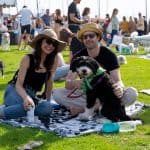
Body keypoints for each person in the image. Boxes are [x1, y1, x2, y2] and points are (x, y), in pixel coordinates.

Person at [53, 23, 138, 116]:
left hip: (107, 94)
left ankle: (84, 110)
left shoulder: (109, 55)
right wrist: (75, 83)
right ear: (82, 40)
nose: (88, 39)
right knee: (57, 94)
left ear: (98, 37)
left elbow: (118, 81)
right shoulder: (78, 57)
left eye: (91, 36)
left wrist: (119, 88)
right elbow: (67, 83)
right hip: (87, 95)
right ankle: (99, 109)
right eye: (85, 37)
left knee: (131, 93)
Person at [0, 29, 66, 119]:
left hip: (32, 95)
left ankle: (11, 110)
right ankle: (4, 112)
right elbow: (18, 85)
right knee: (28, 106)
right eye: (48, 42)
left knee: (47, 108)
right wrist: (26, 98)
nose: (51, 46)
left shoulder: (54, 60)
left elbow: (50, 81)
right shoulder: (27, 59)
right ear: (40, 42)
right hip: (15, 91)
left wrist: (48, 100)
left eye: (54, 44)